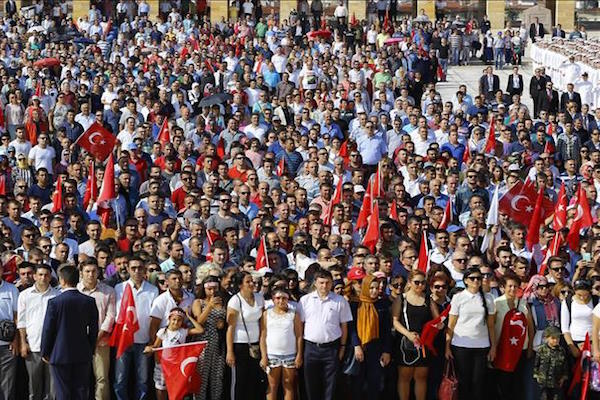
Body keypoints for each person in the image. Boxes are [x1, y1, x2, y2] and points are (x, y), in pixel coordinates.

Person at [40, 264, 99, 400]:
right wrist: (90, 349)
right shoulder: (89, 301)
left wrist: (45, 351)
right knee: (81, 391)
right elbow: (94, 329)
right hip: (82, 353)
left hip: (59, 353)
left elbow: (48, 329)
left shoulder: (55, 302)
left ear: (62, 280)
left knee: (62, 392)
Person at [298, 268, 352, 400]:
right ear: (315, 283)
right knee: (311, 384)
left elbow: (344, 325)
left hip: (331, 348)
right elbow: (300, 325)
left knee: (331, 385)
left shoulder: (340, 301)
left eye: (327, 282)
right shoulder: (305, 300)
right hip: (310, 348)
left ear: (332, 283)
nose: (324, 286)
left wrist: (342, 347)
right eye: (321, 282)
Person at [445, 267, 496, 400]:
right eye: (472, 278)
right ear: (466, 280)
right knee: (463, 382)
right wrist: (447, 347)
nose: (476, 281)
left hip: (482, 346)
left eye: (478, 278)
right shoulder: (458, 297)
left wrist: (493, 347)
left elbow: (491, 326)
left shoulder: (489, 298)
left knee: (478, 383)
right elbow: (451, 324)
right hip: (461, 345)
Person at [392, 270, 437, 400]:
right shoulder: (402, 298)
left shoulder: (428, 299)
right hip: (405, 343)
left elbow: (437, 319)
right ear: (410, 282)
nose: (420, 285)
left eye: (423, 283)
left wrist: (436, 327)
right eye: (416, 282)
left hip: (423, 342)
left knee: (421, 376)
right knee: (405, 376)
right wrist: (408, 334)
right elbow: (395, 321)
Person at [17, 264, 59, 400]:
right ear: (34, 276)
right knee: (34, 387)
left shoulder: (58, 295)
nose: (43, 278)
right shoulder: (24, 295)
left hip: (53, 347)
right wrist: (23, 343)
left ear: (50, 276)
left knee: (52, 389)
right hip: (33, 346)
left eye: (46, 275)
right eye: (40, 274)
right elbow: (21, 322)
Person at [144, 307, 204, 400]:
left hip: (177, 366)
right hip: (164, 365)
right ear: (169, 319)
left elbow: (200, 330)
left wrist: (189, 316)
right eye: (174, 319)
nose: (176, 322)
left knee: (177, 390)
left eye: (179, 320)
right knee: (161, 388)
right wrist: (149, 349)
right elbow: (156, 346)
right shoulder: (163, 332)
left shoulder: (183, 332)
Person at [351, 274, 392, 400]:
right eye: (371, 288)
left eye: (376, 288)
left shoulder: (382, 305)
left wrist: (386, 351)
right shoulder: (355, 305)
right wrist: (356, 346)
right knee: (357, 384)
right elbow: (351, 328)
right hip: (359, 348)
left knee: (374, 384)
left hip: (376, 349)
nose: (374, 291)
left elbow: (386, 331)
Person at [226, 271, 266, 400]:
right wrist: (230, 351)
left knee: (254, 380)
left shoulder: (259, 298)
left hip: (255, 345)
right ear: (240, 285)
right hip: (239, 345)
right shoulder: (235, 301)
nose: (252, 284)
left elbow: (262, 324)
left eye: (252, 281)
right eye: (247, 282)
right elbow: (230, 328)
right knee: (239, 381)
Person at [259, 287, 303, 400]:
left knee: (288, 386)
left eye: (284, 298)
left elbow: (299, 336)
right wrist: (264, 356)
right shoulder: (266, 314)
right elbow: (263, 336)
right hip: (272, 354)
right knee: (272, 386)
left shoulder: (294, 314)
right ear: (273, 299)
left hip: (290, 355)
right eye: (278, 298)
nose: (281, 300)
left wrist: (299, 355)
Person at [190, 275, 227, 400]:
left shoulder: (223, 302)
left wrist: (222, 323)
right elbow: (199, 321)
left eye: (214, 288)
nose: (212, 292)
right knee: (202, 377)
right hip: (203, 344)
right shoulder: (198, 302)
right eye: (209, 289)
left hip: (218, 344)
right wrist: (210, 306)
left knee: (217, 378)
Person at [533, 326, 568, 400]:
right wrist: (537, 377)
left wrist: (563, 378)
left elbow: (565, 366)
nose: (555, 340)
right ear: (547, 338)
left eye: (557, 338)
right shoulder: (541, 350)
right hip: (544, 383)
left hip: (556, 383)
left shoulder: (561, 351)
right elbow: (536, 364)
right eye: (553, 338)